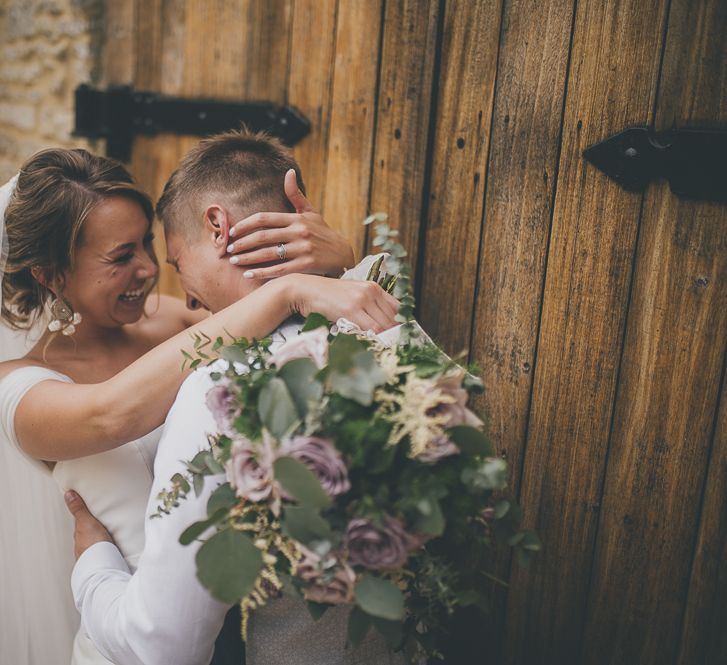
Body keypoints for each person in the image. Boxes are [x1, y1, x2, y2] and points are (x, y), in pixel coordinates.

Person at [0, 147, 398, 665]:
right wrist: (289, 290)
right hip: (127, 633)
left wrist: (335, 258)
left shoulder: (168, 321)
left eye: (147, 242)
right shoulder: (17, 387)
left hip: (248, 626)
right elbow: (111, 413)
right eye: (121, 257)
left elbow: (261, 317)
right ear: (50, 275)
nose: (148, 268)